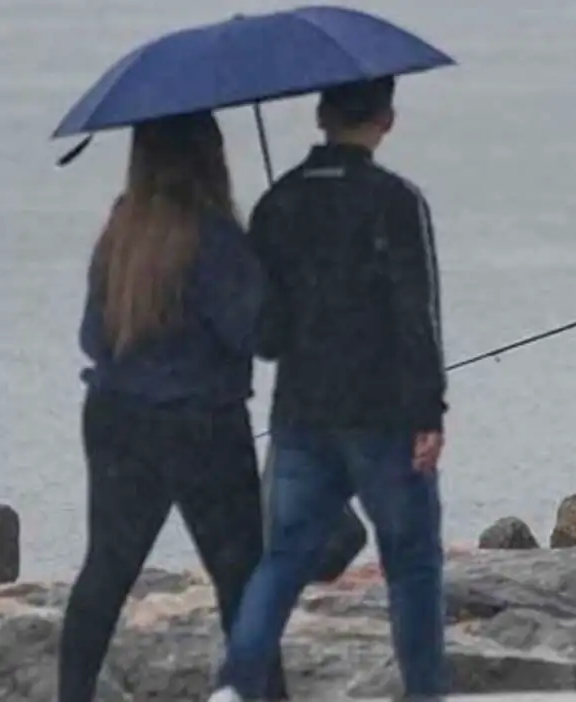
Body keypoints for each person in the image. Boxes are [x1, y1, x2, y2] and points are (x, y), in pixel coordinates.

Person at [210, 76, 447, 701]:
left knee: (281, 562)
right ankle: (424, 691)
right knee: (413, 565)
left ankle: (234, 686)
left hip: (301, 412)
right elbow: (415, 314)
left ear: (320, 116)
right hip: (388, 414)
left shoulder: (277, 203)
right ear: (386, 120)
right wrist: (431, 412)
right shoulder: (396, 200)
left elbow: (265, 334)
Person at [58, 111, 288, 702]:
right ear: (210, 154)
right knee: (241, 579)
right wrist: (279, 280)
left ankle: (73, 693)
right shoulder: (213, 237)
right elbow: (261, 337)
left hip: (115, 417)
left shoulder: (122, 228)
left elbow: (93, 336)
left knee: (106, 571)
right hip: (203, 425)